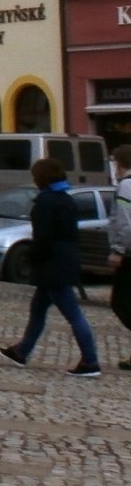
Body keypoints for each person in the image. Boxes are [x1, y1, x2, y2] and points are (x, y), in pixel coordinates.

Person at [0, 156, 101, 377]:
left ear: (40, 179)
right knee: (37, 309)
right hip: (66, 261)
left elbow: (43, 238)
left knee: (73, 314)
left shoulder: (45, 203)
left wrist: (32, 257)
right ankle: (21, 351)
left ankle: (91, 361)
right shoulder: (66, 199)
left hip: (52, 267)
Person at [107, 144, 131, 370]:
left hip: (130, 254)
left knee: (120, 303)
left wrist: (118, 250)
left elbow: (125, 222)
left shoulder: (125, 186)